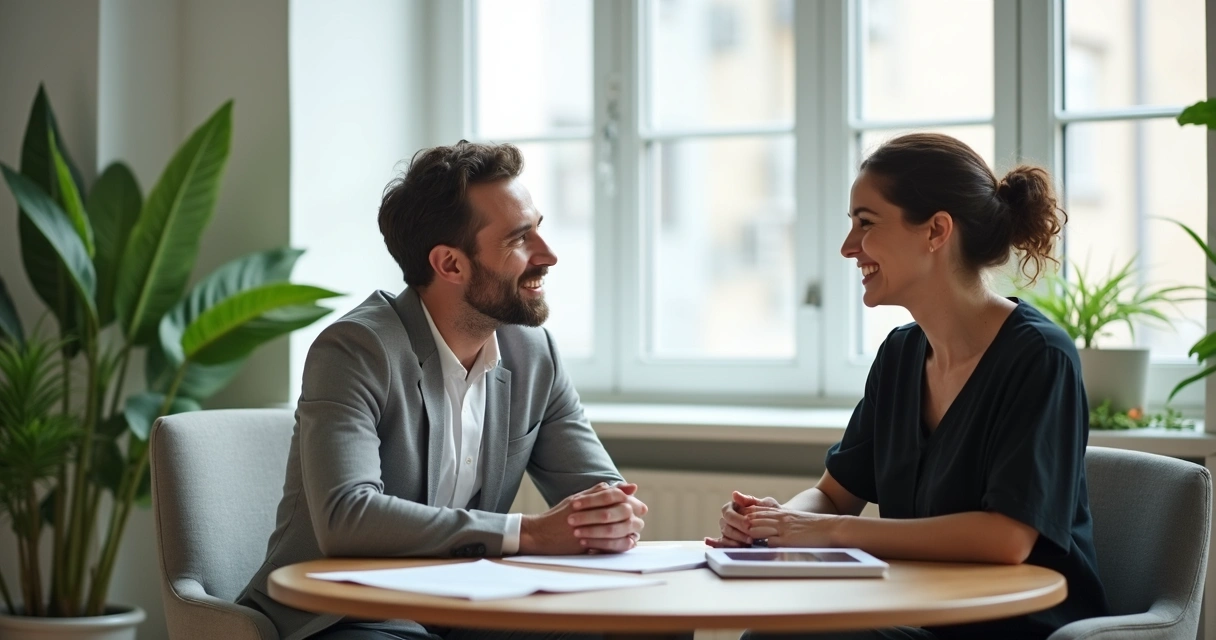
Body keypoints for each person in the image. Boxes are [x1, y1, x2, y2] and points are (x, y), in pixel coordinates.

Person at [238, 141, 647, 640]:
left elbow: (602, 497)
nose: (548, 255)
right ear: (450, 264)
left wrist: (613, 517)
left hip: (468, 606)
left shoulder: (534, 354)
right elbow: (347, 517)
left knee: (635, 625)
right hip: (348, 612)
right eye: (520, 239)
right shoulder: (355, 349)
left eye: (538, 228)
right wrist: (529, 533)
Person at [708, 133, 1110, 639]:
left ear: (936, 231)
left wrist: (826, 531)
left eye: (866, 223)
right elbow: (832, 496)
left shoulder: (1040, 357)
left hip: (1020, 629)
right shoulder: (900, 356)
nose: (848, 246)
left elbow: (1007, 538)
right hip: (927, 618)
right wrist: (772, 522)